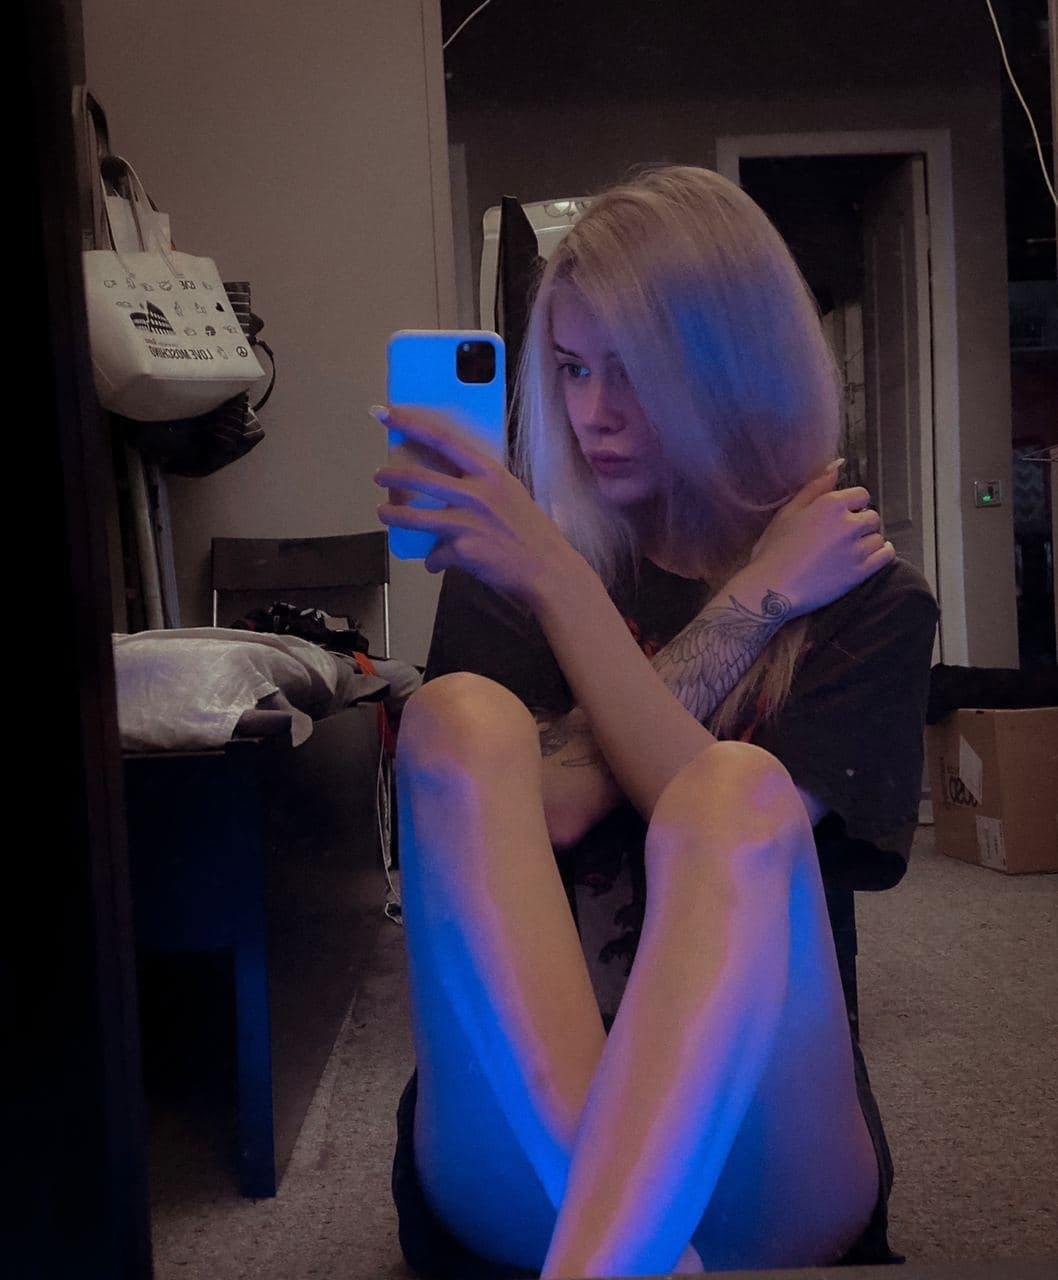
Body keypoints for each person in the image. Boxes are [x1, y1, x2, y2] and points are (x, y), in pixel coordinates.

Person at [371, 165, 938, 1279]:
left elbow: (701, 819)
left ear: (738, 365)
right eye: (573, 367)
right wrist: (742, 598)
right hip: (520, 1146)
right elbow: (555, 802)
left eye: (636, 369)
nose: (594, 414)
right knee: (456, 718)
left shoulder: (866, 597)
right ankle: (622, 1253)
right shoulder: (517, 571)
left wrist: (566, 579)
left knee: (733, 790)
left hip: (763, 1145)